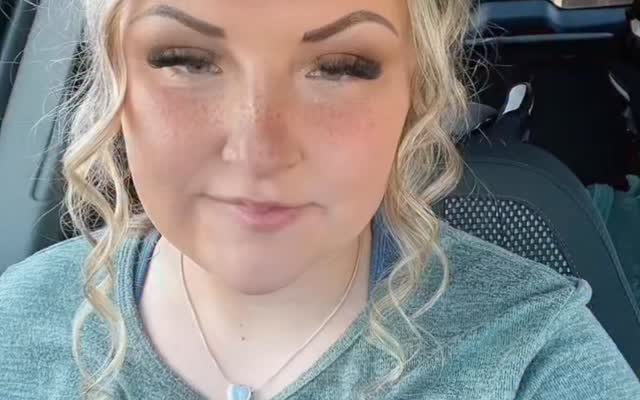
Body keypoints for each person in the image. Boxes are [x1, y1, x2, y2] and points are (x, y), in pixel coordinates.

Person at [1, 1, 639, 399]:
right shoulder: (16, 324)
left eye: (340, 67)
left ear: (414, 96)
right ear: (117, 83)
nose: (259, 150)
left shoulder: (528, 352)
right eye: (186, 60)